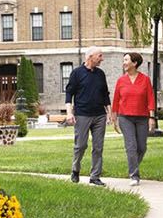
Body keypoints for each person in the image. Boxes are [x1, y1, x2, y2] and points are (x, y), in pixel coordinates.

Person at [65, 51, 110, 186]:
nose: (102, 59)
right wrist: (69, 113)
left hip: (99, 115)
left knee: (98, 147)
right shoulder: (77, 73)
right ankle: (75, 170)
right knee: (80, 145)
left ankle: (95, 176)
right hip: (82, 114)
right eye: (100, 56)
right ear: (90, 57)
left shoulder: (100, 74)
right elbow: (69, 93)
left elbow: (105, 95)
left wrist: (109, 113)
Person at [111, 51, 156, 186]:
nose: (124, 63)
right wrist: (114, 118)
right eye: (123, 60)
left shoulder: (145, 79)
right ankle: (134, 175)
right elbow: (116, 100)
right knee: (131, 146)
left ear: (134, 63)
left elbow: (150, 99)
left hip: (142, 117)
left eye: (126, 60)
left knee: (142, 147)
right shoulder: (121, 80)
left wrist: (152, 117)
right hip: (125, 118)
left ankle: (133, 165)